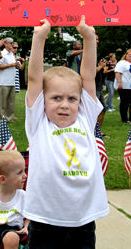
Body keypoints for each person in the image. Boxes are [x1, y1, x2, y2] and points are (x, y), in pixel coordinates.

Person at [25, 16, 108, 248]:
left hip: (82, 218)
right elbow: (34, 78)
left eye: (72, 98)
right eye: (56, 98)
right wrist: (39, 37)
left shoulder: (84, 117)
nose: (64, 104)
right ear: (43, 100)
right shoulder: (38, 122)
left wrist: (89, 38)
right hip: (45, 218)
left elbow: (89, 76)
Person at [0, 37, 20, 123]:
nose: (12, 45)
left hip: (12, 81)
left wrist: (16, 65)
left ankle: (9, 118)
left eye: (13, 43)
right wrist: (11, 65)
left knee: (11, 103)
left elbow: (13, 65)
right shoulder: (1, 54)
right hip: (4, 81)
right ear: (5, 44)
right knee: (2, 102)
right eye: (11, 43)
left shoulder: (11, 55)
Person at [115, 49, 131, 124]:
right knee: (125, 102)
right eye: (128, 54)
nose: (130, 56)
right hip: (124, 86)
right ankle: (124, 119)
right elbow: (118, 72)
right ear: (125, 55)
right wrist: (119, 83)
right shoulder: (122, 63)